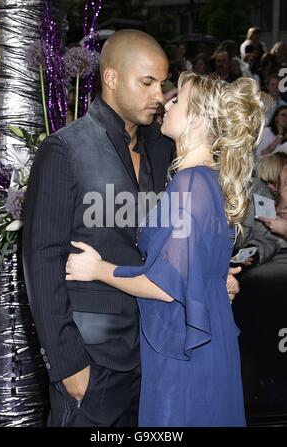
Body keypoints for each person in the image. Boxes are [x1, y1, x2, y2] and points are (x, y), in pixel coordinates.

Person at [23, 29, 240, 428]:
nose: (160, 95)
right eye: (147, 83)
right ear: (111, 78)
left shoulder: (165, 148)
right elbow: (41, 260)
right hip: (94, 361)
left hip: (158, 359)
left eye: (163, 83)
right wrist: (67, 363)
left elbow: (178, 238)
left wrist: (207, 273)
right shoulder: (66, 149)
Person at [65, 73, 266, 426]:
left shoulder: (191, 184)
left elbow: (162, 285)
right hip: (193, 339)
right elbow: (198, 266)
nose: (167, 103)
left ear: (199, 119)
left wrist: (97, 269)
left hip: (183, 349)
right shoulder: (204, 180)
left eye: (178, 100)